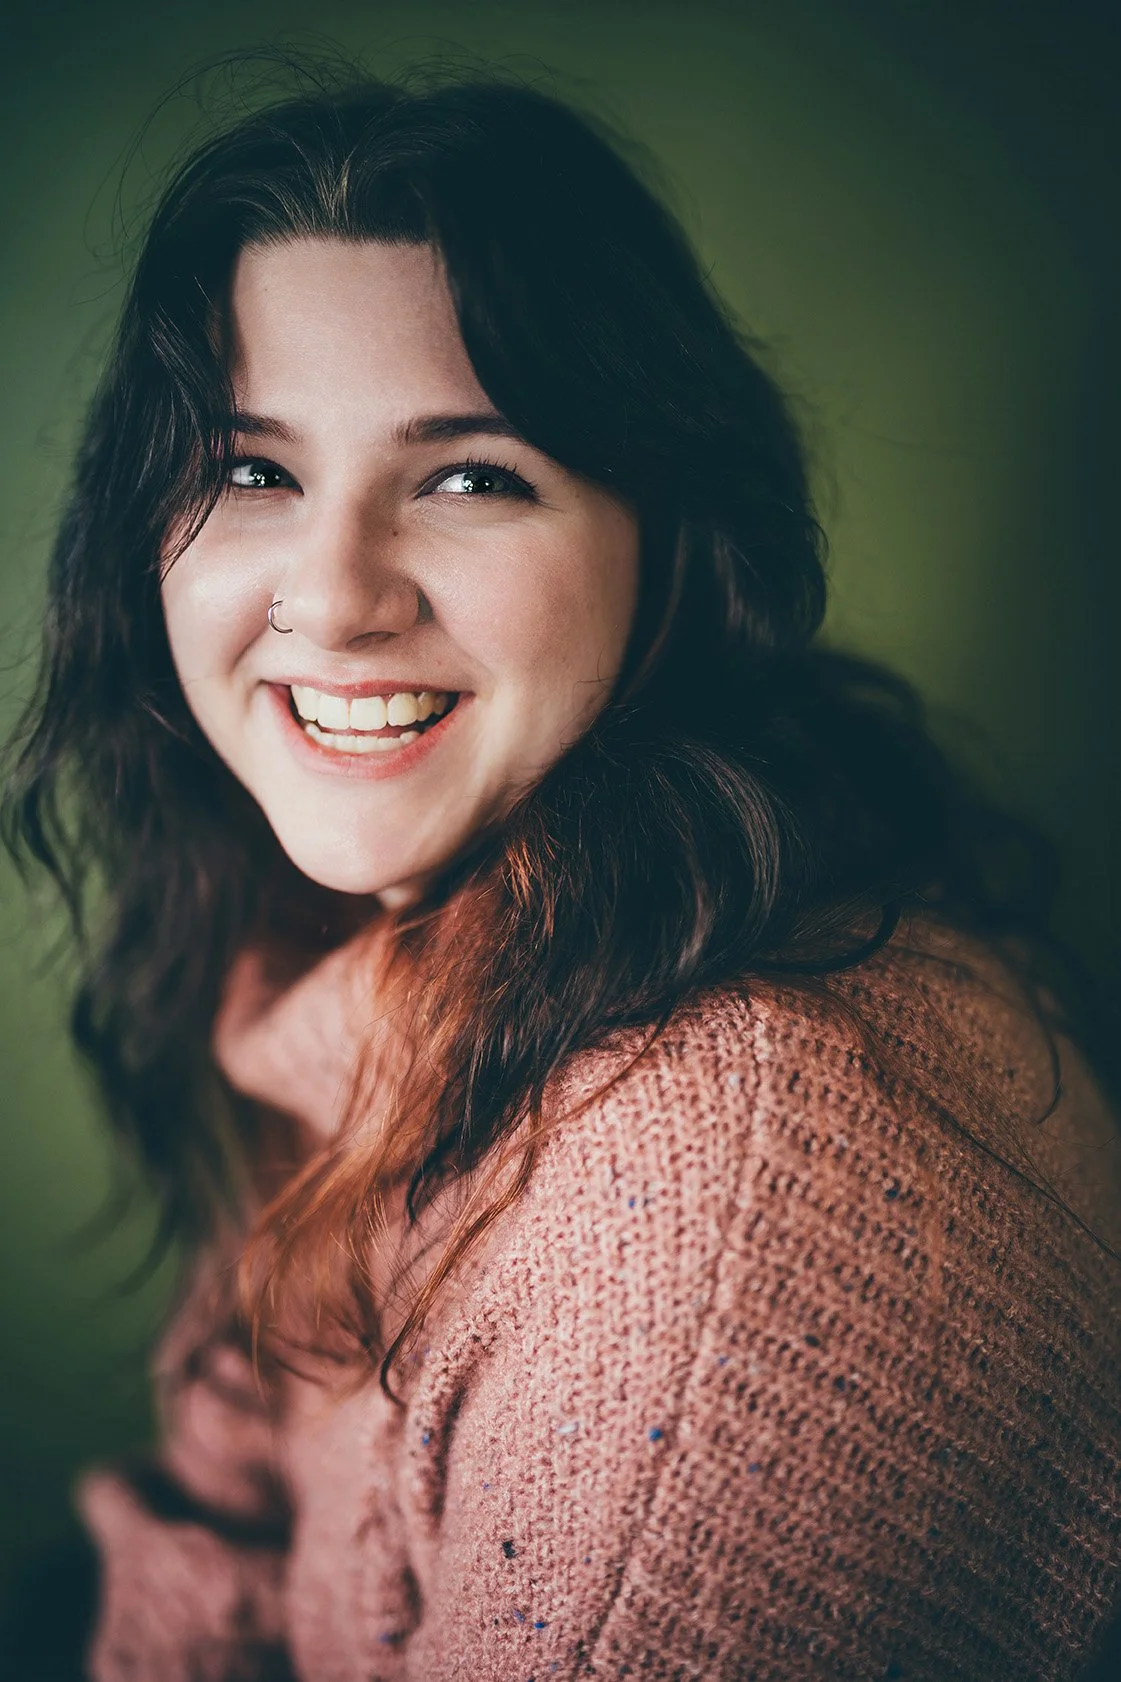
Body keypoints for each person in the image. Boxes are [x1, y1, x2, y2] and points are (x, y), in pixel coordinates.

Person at [3, 64, 1119, 1682]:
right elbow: (226, 1490)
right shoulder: (366, 920)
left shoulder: (718, 1220)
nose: (332, 595)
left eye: (470, 474)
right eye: (253, 469)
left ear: (666, 536)